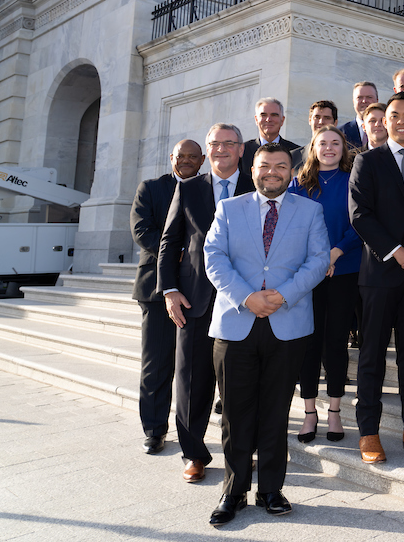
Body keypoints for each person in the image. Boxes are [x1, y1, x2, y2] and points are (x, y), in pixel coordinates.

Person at [204, 143, 330, 526]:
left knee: (275, 412)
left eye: (280, 166)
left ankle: (271, 489)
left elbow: (318, 259)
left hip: (287, 323)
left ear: (291, 172)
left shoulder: (310, 210)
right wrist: (247, 297)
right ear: (251, 168)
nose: (272, 172)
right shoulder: (228, 208)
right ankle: (234, 490)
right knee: (236, 414)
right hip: (236, 323)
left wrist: (284, 295)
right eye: (264, 166)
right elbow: (214, 257)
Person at [158, 123, 253, 484]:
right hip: (195, 298)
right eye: (215, 144)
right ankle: (193, 453)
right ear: (207, 151)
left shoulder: (255, 185)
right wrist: (169, 290)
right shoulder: (188, 189)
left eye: (229, 144)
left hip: (242, 298)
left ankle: (241, 451)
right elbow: (169, 243)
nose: (221, 150)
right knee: (191, 380)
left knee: (240, 383)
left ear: (241, 149)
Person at [349, 93, 404, 464]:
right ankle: (368, 431)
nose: (400, 121)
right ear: (383, 122)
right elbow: (359, 214)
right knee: (372, 355)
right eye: (393, 115)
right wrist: (396, 251)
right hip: (380, 273)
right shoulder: (367, 162)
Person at [287, 126, 362, 446]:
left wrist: (335, 252)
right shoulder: (298, 184)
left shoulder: (353, 181)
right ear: (313, 148)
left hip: (344, 270)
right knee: (308, 343)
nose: (329, 148)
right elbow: (290, 227)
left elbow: (360, 222)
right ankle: (308, 412)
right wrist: (318, 259)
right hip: (307, 276)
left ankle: (334, 410)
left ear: (343, 149)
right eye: (323, 143)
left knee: (335, 343)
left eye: (335, 143)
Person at [130, 138, 202, 455]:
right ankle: (154, 429)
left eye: (192, 156)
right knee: (156, 364)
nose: (185, 161)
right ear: (171, 158)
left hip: (200, 288)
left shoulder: (209, 189)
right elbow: (142, 231)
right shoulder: (150, 188)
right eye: (180, 156)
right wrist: (178, 252)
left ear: (201, 160)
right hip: (157, 287)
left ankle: (192, 432)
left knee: (195, 369)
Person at [241, 97, 300, 173]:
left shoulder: (296, 153)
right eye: (263, 115)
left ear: (282, 120)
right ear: (256, 120)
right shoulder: (242, 152)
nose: (268, 119)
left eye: (274, 115)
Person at [291, 100, 338, 169]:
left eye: (327, 118)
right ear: (310, 120)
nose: (321, 122)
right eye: (317, 117)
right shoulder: (294, 157)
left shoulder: (344, 157)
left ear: (335, 123)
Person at [340, 81, 379, 149]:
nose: (364, 101)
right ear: (353, 102)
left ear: (377, 100)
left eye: (369, 97)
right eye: (359, 97)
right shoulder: (341, 133)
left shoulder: (387, 130)